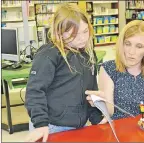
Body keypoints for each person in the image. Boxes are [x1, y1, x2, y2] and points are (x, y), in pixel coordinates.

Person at [24, 3, 106, 142]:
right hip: (50, 126)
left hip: (78, 126)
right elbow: (35, 91)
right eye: (74, 34)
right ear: (59, 32)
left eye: (85, 31)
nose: (82, 38)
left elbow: (90, 91)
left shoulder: (88, 53)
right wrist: (40, 124)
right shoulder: (49, 54)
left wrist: (97, 118)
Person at [86, 20, 144, 121]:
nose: (131, 52)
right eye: (128, 44)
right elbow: (110, 111)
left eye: (139, 46)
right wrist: (102, 103)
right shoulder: (109, 69)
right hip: (119, 131)